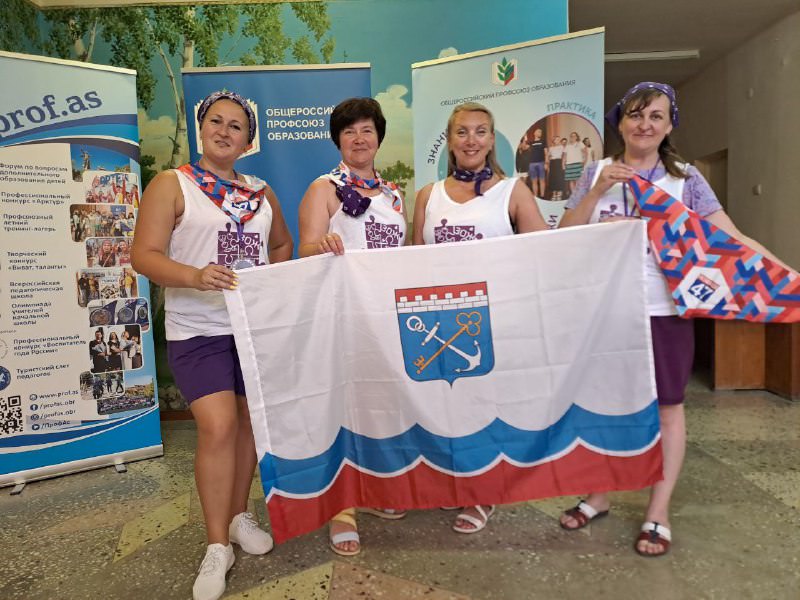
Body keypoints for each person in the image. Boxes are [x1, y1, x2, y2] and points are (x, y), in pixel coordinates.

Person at [557, 81, 787, 557]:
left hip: (664, 309)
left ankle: (658, 513)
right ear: (620, 121)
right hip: (605, 309)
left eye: (655, 116)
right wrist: (598, 191)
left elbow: (730, 237)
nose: (644, 125)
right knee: (603, 405)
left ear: (668, 126)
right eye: (636, 115)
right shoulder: (598, 171)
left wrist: (784, 273)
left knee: (668, 409)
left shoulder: (686, 181)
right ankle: (599, 496)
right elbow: (564, 233)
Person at [131, 90, 292, 600]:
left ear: (248, 140)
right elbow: (143, 255)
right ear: (202, 128)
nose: (224, 131)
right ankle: (217, 544)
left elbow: (281, 244)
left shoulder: (261, 193)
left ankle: (240, 515)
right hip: (197, 329)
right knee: (219, 426)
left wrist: (270, 286)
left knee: (249, 424)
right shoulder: (172, 184)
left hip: (251, 328)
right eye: (216, 121)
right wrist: (195, 275)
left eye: (236, 126)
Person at [413, 101, 548, 534]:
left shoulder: (513, 192)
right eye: (462, 132)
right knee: (447, 408)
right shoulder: (427, 196)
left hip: (494, 320)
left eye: (480, 131)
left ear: (491, 140)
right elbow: (413, 262)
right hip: (440, 320)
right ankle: (455, 481)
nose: (471, 140)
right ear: (449, 141)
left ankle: (483, 491)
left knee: (486, 408)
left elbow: (544, 253)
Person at [298, 97, 408, 557]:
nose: (359, 138)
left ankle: (377, 488)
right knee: (344, 410)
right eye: (349, 131)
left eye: (367, 130)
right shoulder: (323, 189)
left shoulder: (395, 195)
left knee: (382, 406)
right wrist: (322, 245)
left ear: (378, 136)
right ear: (337, 140)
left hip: (387, 321)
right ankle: (342, 508)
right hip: (341, 317)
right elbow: (303, 251)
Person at [563, 131, 587, 196]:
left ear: (576, 137)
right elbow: (564, 156)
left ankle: (578, 194)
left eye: (574, 136)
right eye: (571, 136)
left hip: (578, 164)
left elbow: (585, 152)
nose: (572, 137)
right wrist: (563, 164)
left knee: (578, 180)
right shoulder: (567, 146)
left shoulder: (580, 143)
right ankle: (573, 194)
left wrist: (584, 161)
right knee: (571, 180)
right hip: (569, 165)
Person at [526, 128, 547, 198]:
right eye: (538, 131)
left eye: (541, 132)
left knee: (542, 180)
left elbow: (546, 153)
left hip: (541, 163)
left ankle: (542, 196)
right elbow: (524, 148)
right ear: (534, 133)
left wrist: (546, 163)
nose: (540, 133)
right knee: (534, 181)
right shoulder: (530, 143)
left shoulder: (543, 142)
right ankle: (536, 196)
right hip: (532, 164)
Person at [545, 134, 565, 200]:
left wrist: (563, 164)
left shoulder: (562, 147)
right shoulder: (551, 148)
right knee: (553, 178)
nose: (557, 140)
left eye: (558, 139)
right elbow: (547, 156)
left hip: (559, 162)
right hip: (552, 163)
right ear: (554, 141)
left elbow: (564, 156)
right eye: (556, 139)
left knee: (559, 178)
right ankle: (554, 194)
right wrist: (546, 163)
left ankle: (559, 194)